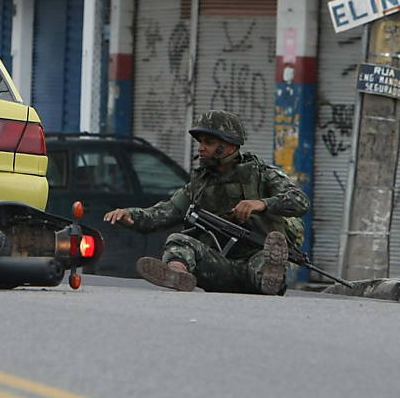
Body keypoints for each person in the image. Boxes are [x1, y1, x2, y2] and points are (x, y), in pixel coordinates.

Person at [103, 110, 309, 295]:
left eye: (208, 143)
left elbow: (300, 202)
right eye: (200, 142)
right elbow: (166, 212)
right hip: (220, 267)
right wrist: (131, 214)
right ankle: (177, 274)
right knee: (179, 239)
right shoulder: (200, 183)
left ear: (229, 145)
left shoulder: (262, 173)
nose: (201, 149)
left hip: (256, 259)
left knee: (265, 261)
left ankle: (269, 276)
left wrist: (261, 204)